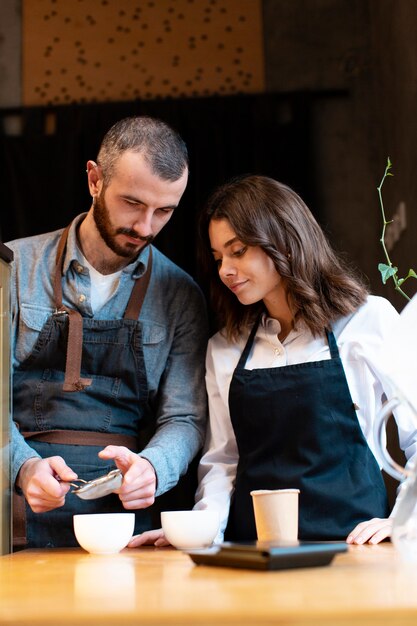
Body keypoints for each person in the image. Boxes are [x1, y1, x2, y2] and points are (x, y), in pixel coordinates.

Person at [8, 115, 208, 548]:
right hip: (16, 515)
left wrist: (154, 467)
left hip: (124, 527)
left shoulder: (181, 296)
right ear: (95, 179)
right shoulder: (14, 270)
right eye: (133, 203)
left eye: (164, 211)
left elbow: (186, 417)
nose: (146, 227)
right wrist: (21, 467)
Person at [189, 174, 417, 546]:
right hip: (253, 556)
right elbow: (223, 462)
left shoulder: (368, 320)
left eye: (238, 250)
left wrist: (406, 521)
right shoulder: (224, 347)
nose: (224, 270)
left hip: (354, 552)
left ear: (285, 242)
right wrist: (201, 533)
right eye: (218, 258)